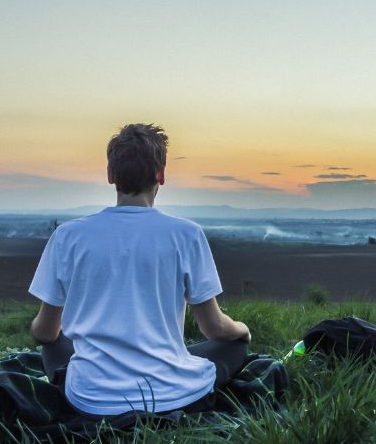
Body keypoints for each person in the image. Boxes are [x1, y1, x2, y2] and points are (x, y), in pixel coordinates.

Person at [28, 123, 251, 418]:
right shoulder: (187, 234)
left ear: (110, 175)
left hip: (90, 399)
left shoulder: (67, 236)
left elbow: (44, 332)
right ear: (161, 174)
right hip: (173, 395)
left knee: (54, 344)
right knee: (234, 347)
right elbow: (215, 329)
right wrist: (243, 331)